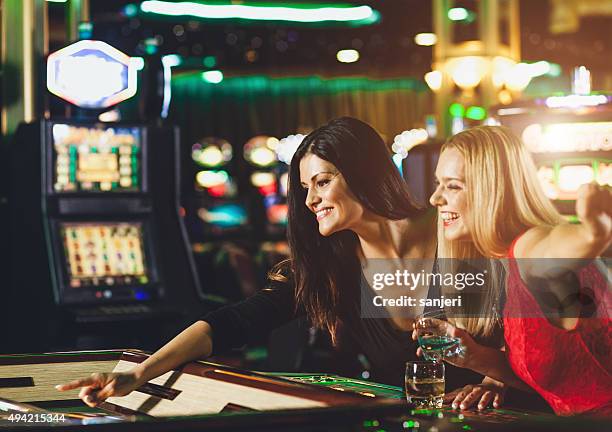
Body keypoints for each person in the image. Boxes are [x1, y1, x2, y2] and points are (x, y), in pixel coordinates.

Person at [58, 117, 455, 406]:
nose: (310, 201)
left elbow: (512, 325)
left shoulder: (450, 232)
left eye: (322, 181)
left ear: (363, 174)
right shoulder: (332, 270)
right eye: (304, 188)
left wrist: (493, 378)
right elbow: (233, 322)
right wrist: (139, 373)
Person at [426, 125, 611, 415]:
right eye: (438, 184)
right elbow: (562, 379)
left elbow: (563, 245)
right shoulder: (509, 261)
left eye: (453, 185)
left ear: (494, 190)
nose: (435, 199)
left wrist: (594, 232)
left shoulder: (531, 245)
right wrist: (474, 357)